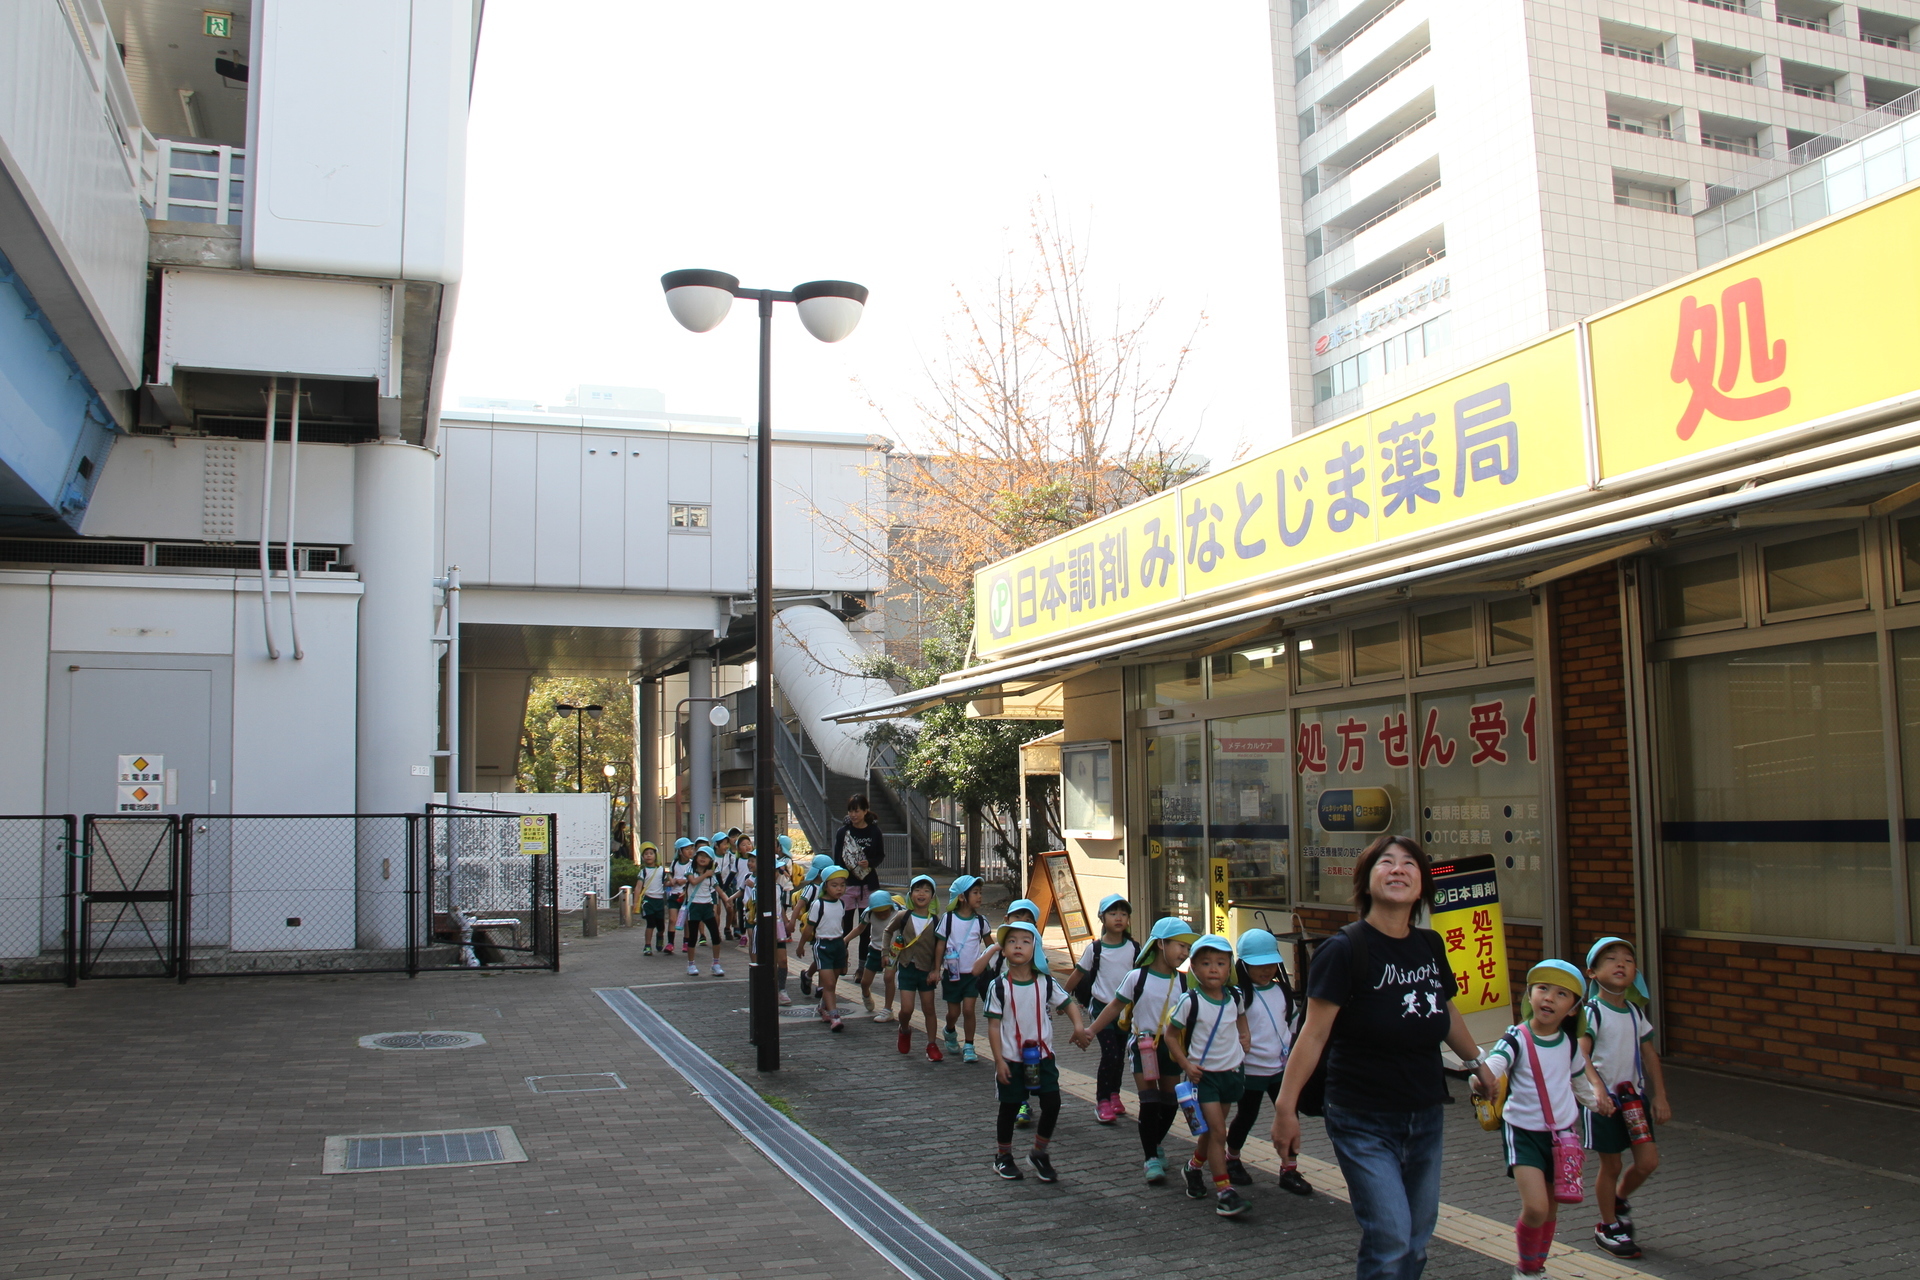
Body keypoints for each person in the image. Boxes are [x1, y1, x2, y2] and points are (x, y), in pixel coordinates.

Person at [1269, 835, 1499, 1280]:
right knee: (1391, 1235)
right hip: (1361, 1115)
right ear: (1366, 880)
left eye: (1409, 863)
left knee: (1415, 1240)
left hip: (1425, 1112)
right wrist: (1285, 1108)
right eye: (1386, 862)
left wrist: (1478, 1063)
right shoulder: (1344, 949)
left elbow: (1444, 1008)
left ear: (1422, 884)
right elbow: (1313, 1036)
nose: (1398, 869)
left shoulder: (1430, 945)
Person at [1474, 961, 1610, 1279]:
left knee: (1550, 1208)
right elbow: (1495, 1062)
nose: (1549, 998)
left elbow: (1578, 1082)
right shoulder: (1517, 1037)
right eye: (1543, 988)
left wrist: (1598, 1103)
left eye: (1561, 994)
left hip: (1562, 1137)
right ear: (1530, 995)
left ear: (1574, 1009)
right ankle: (1524, 1269)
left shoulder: (1571, 1044)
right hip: (1522, 1132)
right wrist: (1482, 1079)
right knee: (1535, 1207)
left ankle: (1536, 1268)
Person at [1083, 915, 1199, 1184]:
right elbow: (1114, 1006)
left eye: (1187, 949)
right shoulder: (1137, 977)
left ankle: (1155, 1142)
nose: (1184, 953)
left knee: (1171, 1100)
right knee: (1150, 1101)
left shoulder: (1185, 982)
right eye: (1180, 946)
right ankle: (1150, 1158)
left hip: (1172, 1050)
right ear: (1160, 944)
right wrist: (1091, 1031)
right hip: (1144, 1047)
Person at [981, 920, 1092, 1183]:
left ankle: (1039, 1152)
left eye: (1025, 941)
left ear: (1036, 949)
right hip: (1011, 1059)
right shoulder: (998, 986)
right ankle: (1003, 1156)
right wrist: (999, 1061)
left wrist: (1078, 1027)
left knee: (1052, 1102)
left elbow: (1069, 1003)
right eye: (1011, 941)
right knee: (1009, 1107)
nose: (1018, 945)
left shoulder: (1046, 982)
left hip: (1042, 1057)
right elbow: (994, 1027)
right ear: (1003, 951)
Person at [1579, 936, 1669, 1259]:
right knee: (1612, 1163)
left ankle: (1618, 1199)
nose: (1620, 964)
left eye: (1628, 961)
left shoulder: (1633, 1012)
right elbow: (1581, 1055)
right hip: (1603, 1106)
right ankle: (1607, 1225)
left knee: (1648, 1162)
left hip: (1634, 1102)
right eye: (1610, 959)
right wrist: (1597, 1090)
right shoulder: (1591, 1012)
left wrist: (1659, 1097)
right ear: (1591, 972)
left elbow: (1650, 1054)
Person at [1165, 934, 1253, 1217]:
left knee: (1212, 1133)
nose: (1213, 969)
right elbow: (1170, 1036)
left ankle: (1193, 1168)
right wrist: (1186, 1066)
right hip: (1204, 1078)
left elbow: (1240, 1017)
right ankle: (1225, 1192)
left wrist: (1245, 1034)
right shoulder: (1190, 1000)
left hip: (1232, 1073)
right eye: (1205, 963)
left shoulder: (1235, 996)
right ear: (1193, 968)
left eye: (1220, 963)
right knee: (1218, 1132)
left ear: (1230, 969)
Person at [1223, 928, 1311, 1195]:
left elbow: (1294, 1023)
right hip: (1250, 1070)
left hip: (1281, 1069)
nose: (1266, 970)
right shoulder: (1237, 995)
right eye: (1259, 965)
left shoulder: (1282, 991)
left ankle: (1289, 1168)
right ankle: (1232, 1159)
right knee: (1246, 1116)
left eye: (1271, 964)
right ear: (1244, 965)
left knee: (1289, 1117)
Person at [1064, 893, 1137, 1124]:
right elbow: (1078, 973)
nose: (1119, 918)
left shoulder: (1135, 948)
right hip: (1101, 1008)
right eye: (1113, 913)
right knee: (1110, 1053)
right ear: (1102, 918)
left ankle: (1115, 1095)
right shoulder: (1095, 949)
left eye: (1123, 914)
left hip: (1126, 1013)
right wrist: (1062, 998)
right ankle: (1102, 1101)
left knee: (1119, 1055)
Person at [884, 873, 946, 1060]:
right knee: (906, 1009)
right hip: (906, 968)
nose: (922, 894)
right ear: (910, 894)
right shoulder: (904, 916)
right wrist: (885, 953)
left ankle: (932, 1044)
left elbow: (940, 948)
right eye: (917, 890)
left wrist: (937, 970)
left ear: (932, 896)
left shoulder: (936, 921)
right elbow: (888, 931)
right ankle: (904, 1029)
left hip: (927, 971)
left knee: (929, 1009)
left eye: (926, 891)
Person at [938, 875, 993, 1062]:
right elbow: (939, 945)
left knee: (969, 1009)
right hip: (952, 974)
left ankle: (969, 1045)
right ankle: (950, 1030)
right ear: (961, 897)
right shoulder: (948, 919)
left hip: (973, 974)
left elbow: (990, 946)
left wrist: (993, 963)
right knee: (954, 1012)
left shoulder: (981, 922)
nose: (979, 897)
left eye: (980, 893)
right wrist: (935, 969)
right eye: (975, 893)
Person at [804, 867, 862, 1032]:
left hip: (838, 944)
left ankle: (823, 1007)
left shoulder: (842, 903)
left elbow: (841, 924)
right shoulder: (818, 904)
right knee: (828, 983)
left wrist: (844, 944)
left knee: (833, 981)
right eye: (834, 885)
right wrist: (801, 945)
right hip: (822, 945)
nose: (839, 889)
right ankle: (835, 1016)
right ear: (825, 886)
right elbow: (809, 928)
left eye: (842, 885)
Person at [681, 846, 726, 977]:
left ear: (711, 860)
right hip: (694, 907)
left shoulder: (712, 876)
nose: (702, 858)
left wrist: (727, 900)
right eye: (700, 855)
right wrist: (706, 874)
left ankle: (716, 964)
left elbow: (718, 889)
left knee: (715, 935)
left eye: (706, 857)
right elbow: (693, 881)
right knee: (693, 936)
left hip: (707, 906)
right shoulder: (691, 870)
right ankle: (691, 964)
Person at [858, 891, 900, 1022]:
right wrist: (845, 940)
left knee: (888, 978)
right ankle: (866, 995)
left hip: (893, 950)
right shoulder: (868, 913)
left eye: (885, 912)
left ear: (891, 907)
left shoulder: (899, 912)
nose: (882, 915)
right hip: (875, 949)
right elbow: (859, 929)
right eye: (878, 913)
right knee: (865, 982)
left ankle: (888, 1010)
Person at [663, 837, 695, 955]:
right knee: (672, 919)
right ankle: (670, 943)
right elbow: (670, 875)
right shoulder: (675, 863)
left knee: (686, 920)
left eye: (691, 848)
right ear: (680, 851)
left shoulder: (692, 864)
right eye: (687, 849)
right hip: (674, 895)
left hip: (686, 896)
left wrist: (684, 881)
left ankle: (686, 942)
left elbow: (694, 879)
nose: (690, 851)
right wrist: (672, 880)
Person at [637, 843, 667, 956]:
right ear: (643, 857)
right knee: (650, 923)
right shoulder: (643, 872)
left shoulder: (661, 870)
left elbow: (666, 883)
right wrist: (635, 903)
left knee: (661, 926)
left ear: (656, 855)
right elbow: (638, 887)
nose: (648, 856)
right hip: (648, 901)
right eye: (646, 854)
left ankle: (660, 936)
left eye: (651, 853)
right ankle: (647, 945)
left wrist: (673, 882)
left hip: (659, 900)